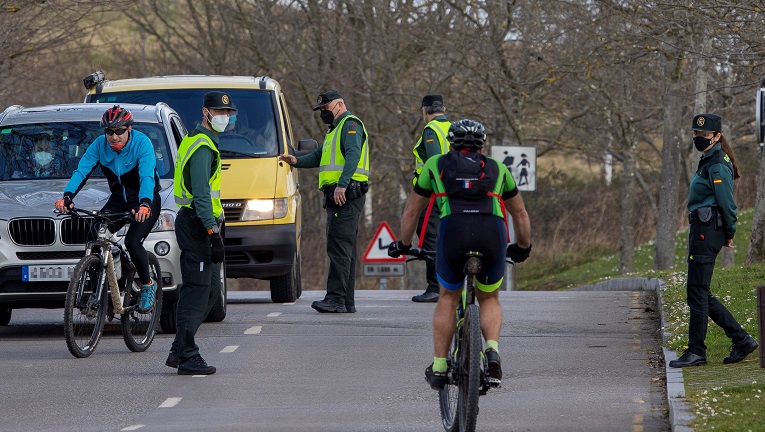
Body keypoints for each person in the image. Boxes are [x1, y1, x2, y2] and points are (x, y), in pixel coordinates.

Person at [388, 119, 532, 390]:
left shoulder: (435, 165)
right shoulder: (498, 169)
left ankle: (440, 366)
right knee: (489, 296)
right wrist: (524, 247)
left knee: (448, 296)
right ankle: (491, 351)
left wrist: (404, 243)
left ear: (451, 142)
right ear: (482, 144)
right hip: (491, 233)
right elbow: (520, 214)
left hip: (453, 231)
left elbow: (412, 211)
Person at [669, 113, 759, 368]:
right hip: (703, 228)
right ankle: (740, 339)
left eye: (704, 135)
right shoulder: (708, 158)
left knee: (697, 291)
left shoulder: (718, 163)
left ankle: (697, 351)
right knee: (698, 291)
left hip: (707, 230)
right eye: (696, 135)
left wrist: (729, 232)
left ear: (717, 136)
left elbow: (728, 204)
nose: (698, 138)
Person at [55, 106, 161, 313]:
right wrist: (67, 197)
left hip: (144, 200)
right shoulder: (99, 146)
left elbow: (147, 176)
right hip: (118, 201)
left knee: (132, 241)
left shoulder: (142, 143)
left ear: (129, 128)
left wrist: (145, 203)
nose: (114, 137)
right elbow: (82, 170)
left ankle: (148, 285)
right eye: (109, 132)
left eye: (119, 131)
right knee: (94, 236)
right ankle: (100, 293)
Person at [278, 90, 369, 314]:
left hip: (345, 195)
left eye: (325, 109)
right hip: (342, 195)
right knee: (344, 248)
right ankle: (345, 301)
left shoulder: (349, 125)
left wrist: (342, 184)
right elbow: (319, 156)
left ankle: (336, 298)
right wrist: (296, 161)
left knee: (338, 248)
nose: (323, 114)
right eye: (320, 110)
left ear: (339, 105)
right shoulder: (334, 131)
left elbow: (353, 154)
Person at [165, 91, 230, 375]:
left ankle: (180, 348)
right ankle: (188, 355)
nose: (224, 118)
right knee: (196, 290)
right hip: (198, 224)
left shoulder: (198, 139)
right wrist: (212, 232)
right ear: (206, 113)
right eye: (219, 113)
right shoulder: (202, 146)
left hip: (198, 222)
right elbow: (202, 195)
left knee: (211, 290)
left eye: (228, 113)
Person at [410, 94, 450, 303]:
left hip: (433, 192)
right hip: (451, 192)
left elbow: (434, 162)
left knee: (429, 235)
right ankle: (447, 284)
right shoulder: (452, 128)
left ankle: (435, 287)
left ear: (424, 110)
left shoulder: (431, 130)